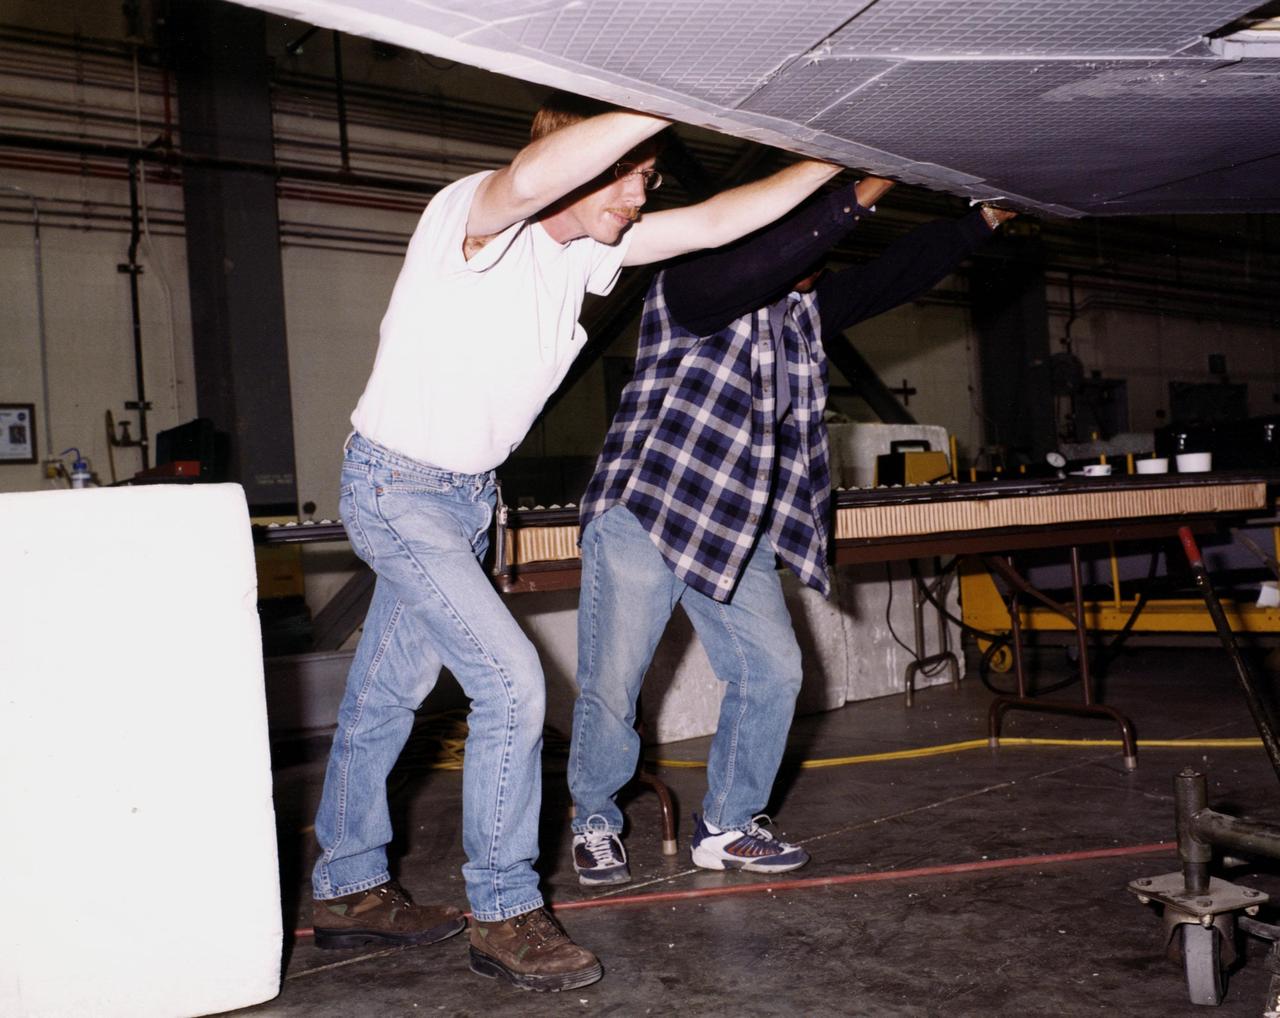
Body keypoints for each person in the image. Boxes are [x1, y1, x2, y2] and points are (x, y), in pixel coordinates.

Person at [309, 89, 844, 993]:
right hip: (394, 486)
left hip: (466, 501)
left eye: (647, 181)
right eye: (630, 180)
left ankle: (348, 887)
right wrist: (669, 96)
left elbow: (715, 220)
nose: (642, 198)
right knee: (512, 682)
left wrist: (839, 159)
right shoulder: (473, 220)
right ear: (582, 166)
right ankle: (506, 909)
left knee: (384, 696)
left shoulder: (589, 257)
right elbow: (532, 175)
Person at [567, 180, 1016, 885]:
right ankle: (594, 819)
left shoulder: (798, 312)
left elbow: (889, 278)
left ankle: (726, 825)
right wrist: (857, 189)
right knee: (612, 685)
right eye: (804, 247)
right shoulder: (695, 285)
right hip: (645, 513)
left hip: (734, 524)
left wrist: (982, 220)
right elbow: (769, 255)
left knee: (773, 669)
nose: (819, 268)